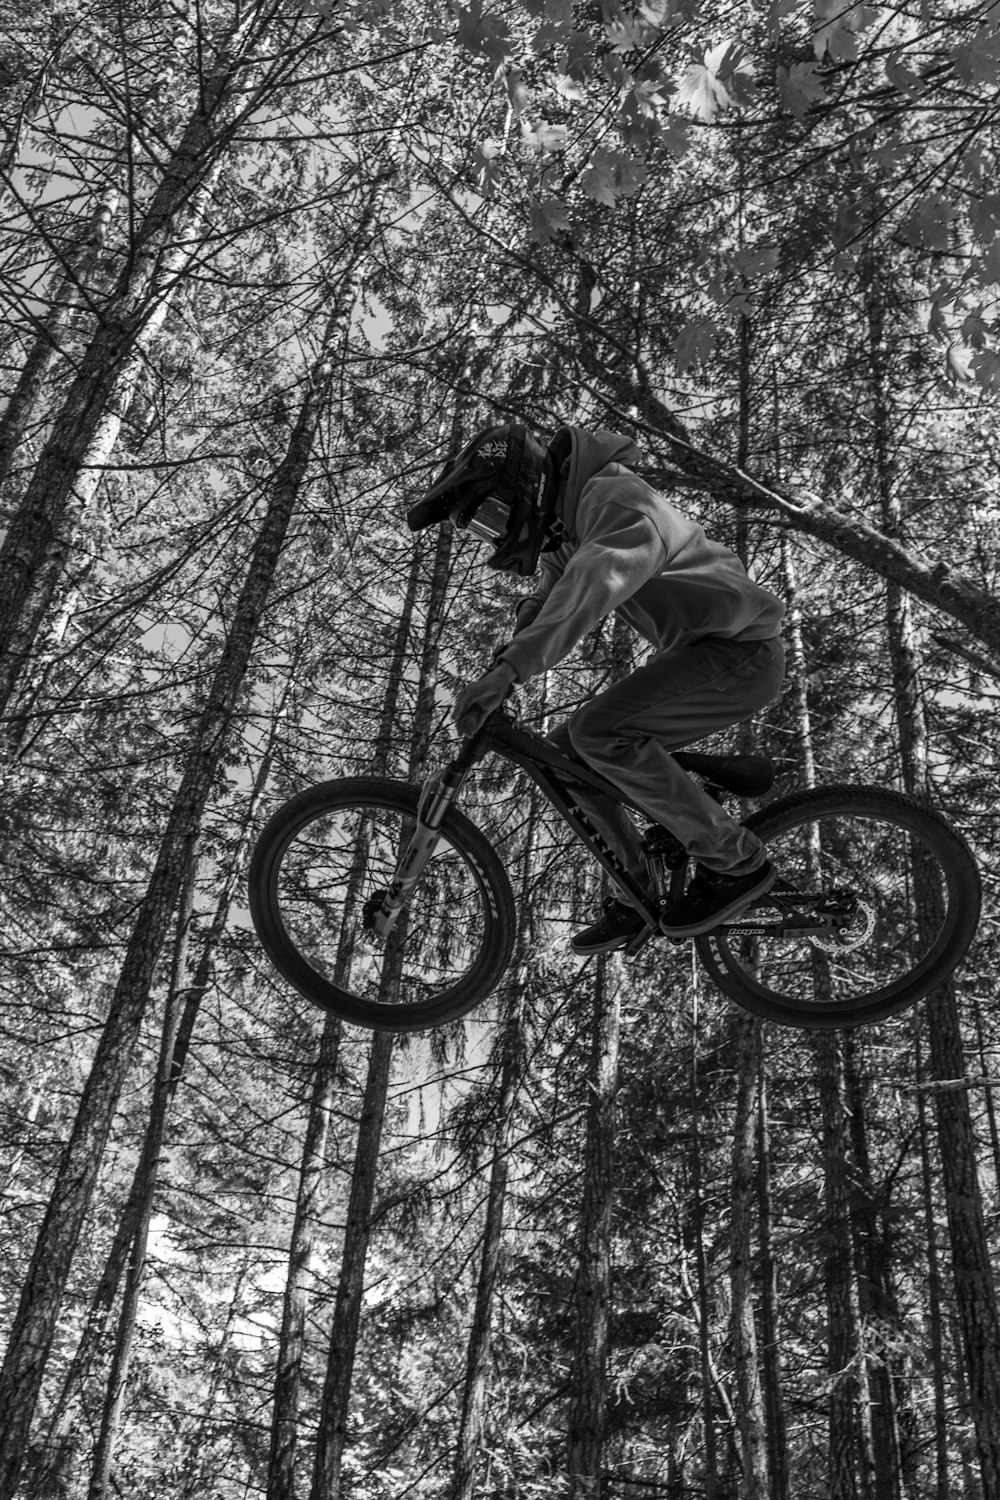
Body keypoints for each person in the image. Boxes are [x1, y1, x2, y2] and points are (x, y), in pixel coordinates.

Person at [406, 422, 786, 953]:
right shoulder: (573, 524)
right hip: (705, 653)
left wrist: (510, 671)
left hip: (742, 652)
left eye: (493, 516)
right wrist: (505, 659)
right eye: (482, 530)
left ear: (523, 485)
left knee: (600, 733)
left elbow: (592, 584)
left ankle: (735, 863)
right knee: (566, 758)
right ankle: (637, 896)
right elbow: (550, 593)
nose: (495, 536)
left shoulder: (617, 500)